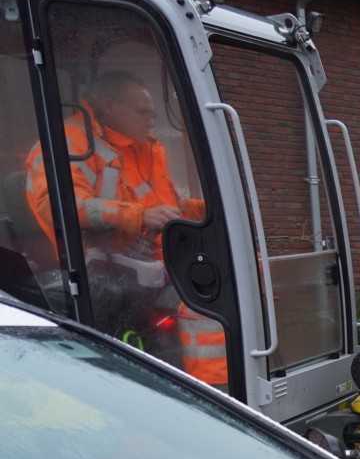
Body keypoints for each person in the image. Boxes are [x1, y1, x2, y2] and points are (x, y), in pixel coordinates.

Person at [23, 70, 216, 378]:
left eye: (153, 114)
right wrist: (138, 216)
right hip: (97, 273)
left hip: (150, 263)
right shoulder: (67, 142)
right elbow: (60, 207)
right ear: (112, 106)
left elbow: (164, 201)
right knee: (202, 309)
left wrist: (209, 210)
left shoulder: (144, 148)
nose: (152, 121)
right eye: (144, 112)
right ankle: (218, 392)